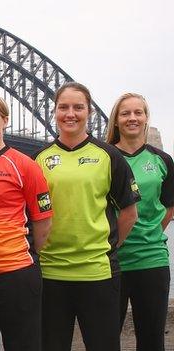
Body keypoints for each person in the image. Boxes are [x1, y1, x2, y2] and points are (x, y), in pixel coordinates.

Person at [33, 82, 140, 351]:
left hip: (97, 273)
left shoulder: (109, 155)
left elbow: (129, 213)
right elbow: (31, 216)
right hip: (50, 273)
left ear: (89, 111)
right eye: (63, 107)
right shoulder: (38, 159)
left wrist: (106, 247)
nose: (71, 114)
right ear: (54, 112)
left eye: (78, 107)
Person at [0, 94, 52, 351]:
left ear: (5, 120)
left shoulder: (25, 165)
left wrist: (28, 255)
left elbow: (43, 220)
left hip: (16, 275)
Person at [105, 93, 174, 351]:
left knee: (152, 339)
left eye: (138, 112)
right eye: (125, 113)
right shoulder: (105, 157)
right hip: (112, 261)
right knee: (107, 338)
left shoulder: (162, 160)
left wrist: (149, 232)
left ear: (146, 117)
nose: (132, 118)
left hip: (151, 259)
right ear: (116, 120)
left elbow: (169, 206)